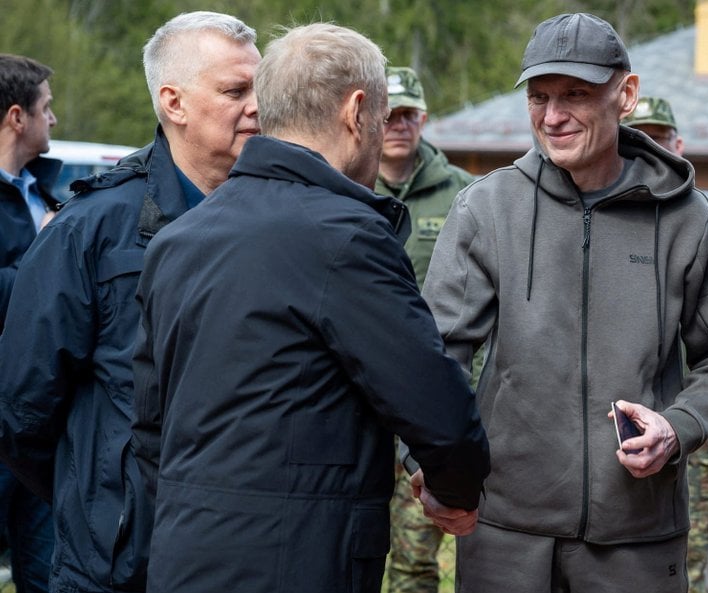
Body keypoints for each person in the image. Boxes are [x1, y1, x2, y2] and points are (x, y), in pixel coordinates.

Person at [132, 22, 491, 593]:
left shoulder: (179, 239)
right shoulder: (345, 237)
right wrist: (456, 490)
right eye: (378, 121)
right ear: (356, 113)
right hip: (298, 559)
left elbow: (150, 424)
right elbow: (434, 404)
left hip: (184, 554)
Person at [421, 12, 708, 593]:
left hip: (638, 538)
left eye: (575, 94)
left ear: (627, 94)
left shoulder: (687, 221)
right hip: (503, 536)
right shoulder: (485, 210)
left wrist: (677, 427)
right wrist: (429, 468)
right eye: (539, 97)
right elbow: (432, 358)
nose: (552, 116)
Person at [0, 12, 260, 592]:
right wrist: (102, 499)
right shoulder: (91, 230)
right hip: (116, 566)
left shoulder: (281, 219)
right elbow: (22, 409)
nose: (257, 107)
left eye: (259, 90)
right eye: (235, 91)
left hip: (246, 559)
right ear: (174, 103)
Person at [623, 95, 708, 593]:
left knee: (684, 563)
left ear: (678, 145)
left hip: (691, 427)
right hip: (624, 419)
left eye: (659, 137)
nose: (649, 145)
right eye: (639, 134)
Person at [375, 65, 476, 593]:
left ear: (424, 119)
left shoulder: (462, 193)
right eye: (388, 114)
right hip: (363, 397)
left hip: (430, 394)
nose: (397, 125)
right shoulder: (348, 183)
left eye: (408, 114)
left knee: (417, 555)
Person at [0, 53, 58, 593]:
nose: (54, 120)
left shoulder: (43, 193)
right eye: (47, 108)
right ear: (18, 117)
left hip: (36, 425)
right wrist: (45, 266)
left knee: (45, 572)